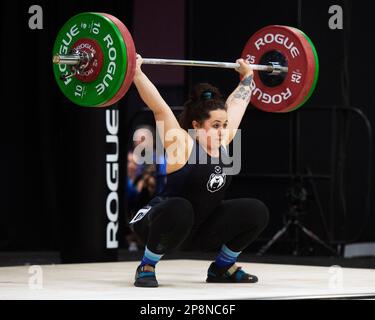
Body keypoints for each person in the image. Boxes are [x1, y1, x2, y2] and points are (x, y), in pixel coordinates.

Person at [130, 54, 269, 287]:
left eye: (224, 125)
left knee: (256, 210)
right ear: (196, 126)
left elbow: (238, 103)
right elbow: (159, 108)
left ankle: (222, 268)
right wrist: (136, 72)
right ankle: (147, 264)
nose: (223, 130)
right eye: (216, 126)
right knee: (181, 207)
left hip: (196, 232)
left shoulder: (223, 142)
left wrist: (247, 78)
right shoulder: (182, 144)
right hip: (159, 223)